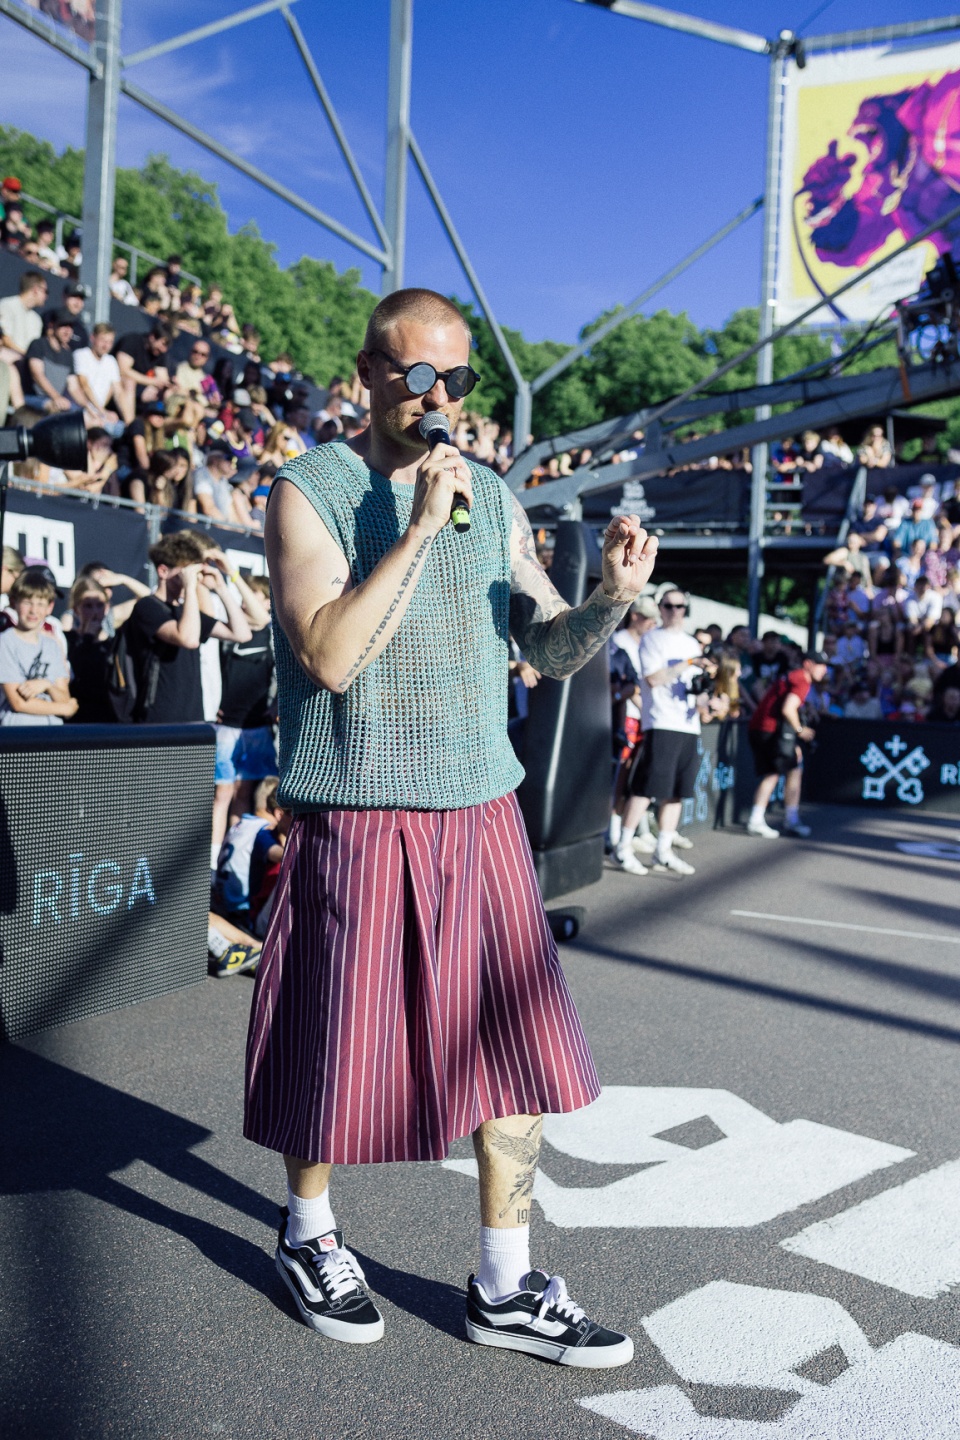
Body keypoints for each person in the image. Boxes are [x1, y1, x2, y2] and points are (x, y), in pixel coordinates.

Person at [245, 286, 657, 1363]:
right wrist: (421, 529)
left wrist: (611, 599)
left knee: (517, 1049)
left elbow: (549, 647)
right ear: (368, 374)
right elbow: (329, 656)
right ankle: (309, 1233)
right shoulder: (309, 491)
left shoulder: (493, 496)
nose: (440, 399)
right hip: (358, 807)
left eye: (457, 379)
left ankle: (505, 1284)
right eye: (417, 375)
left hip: (480, 809)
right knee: (332, 1042)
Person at [626, 589, 711, 877]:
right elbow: (653, 678)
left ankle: (663, 850)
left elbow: (696, 688)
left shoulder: (691, 643)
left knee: (677, 792)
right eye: (669, 605)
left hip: (688, 724)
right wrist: (689, 663)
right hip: (661, 721)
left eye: (680, 606)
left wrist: (707, 701)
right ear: (660, 608)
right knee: (647, 788)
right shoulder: (653, 639)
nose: (674, 611)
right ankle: (623, 845)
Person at [124, 533, 251, 725]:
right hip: (158, 720)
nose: (191, 578)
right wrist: (190, 588)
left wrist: (221, 588)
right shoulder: (147, 606)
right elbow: (188, 639)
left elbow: (241, 634)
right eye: (185, 571)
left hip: (194, 718)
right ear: (163, 571)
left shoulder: (188, 612)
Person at [746, 650, 829, 839]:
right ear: (808, 664)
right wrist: (800, 730)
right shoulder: (802, 679)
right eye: (820, 665)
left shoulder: (795, 677)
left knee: (794, 765)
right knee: (773, 774)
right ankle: (757, 820)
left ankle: (790, 818)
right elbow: (788, 708)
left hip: (766, 729)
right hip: (768, 730)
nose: (824, 670)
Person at [608, 595, 659, 870]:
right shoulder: (619, 642)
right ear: (636, 616)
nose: (652, 624)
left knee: (633, 777)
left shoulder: (646, 643)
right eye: (649, 619)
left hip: (643, 718)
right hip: (626, 717)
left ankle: (630, 831)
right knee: (620, 775)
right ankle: (613, 834)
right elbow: (629, 686)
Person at [0, 568, 77, 725]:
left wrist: (46, 685)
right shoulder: (5, 642)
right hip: (18, 732)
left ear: (49, 607)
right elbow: (18, 703)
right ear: (14, 603)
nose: (33, 611)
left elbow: (64, 697)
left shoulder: (52, 645)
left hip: (53, 732)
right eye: (27, 603)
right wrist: (65, 709)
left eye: (40, 604)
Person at [0, 269, 47, 362]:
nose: (46, 296)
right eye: (45, 291)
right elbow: (5, 340)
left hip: (27, 362)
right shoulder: (6, 305)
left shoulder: (37, 320)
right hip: (7, 359)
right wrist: (29, 356)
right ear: (36, 289)